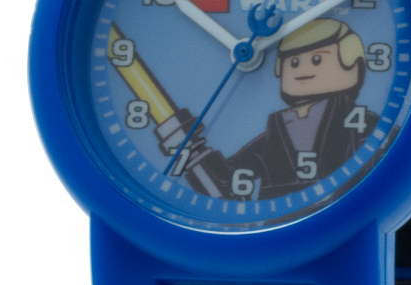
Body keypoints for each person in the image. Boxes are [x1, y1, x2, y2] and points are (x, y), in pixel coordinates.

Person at [158, 19, 379, 201]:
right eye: (293, 62)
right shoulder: (277, 130)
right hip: (275, 215)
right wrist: (191, 152)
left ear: (353, 66)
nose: (303, 70)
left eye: (317, 59)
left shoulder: (361, 124)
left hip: (342, 205)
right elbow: (229, 177)